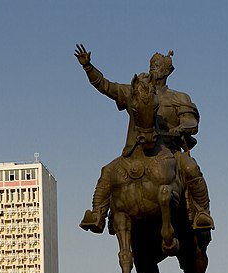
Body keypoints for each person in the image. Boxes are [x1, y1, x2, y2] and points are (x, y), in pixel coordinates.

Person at [75, 44, 214, 233]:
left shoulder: (179, 97)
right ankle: (97, 214)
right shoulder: (134, 92)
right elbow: (106, 86)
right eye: (151, 66)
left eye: (157, 67)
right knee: (107, 171)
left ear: (167, 71)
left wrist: (179, 129)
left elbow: (191, 122)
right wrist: (88, 67)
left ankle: (201, 213)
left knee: (190, 167)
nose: (152, 70)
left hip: (169, 150)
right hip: (137, 148)